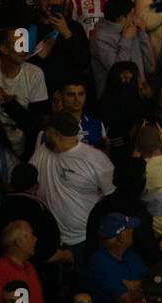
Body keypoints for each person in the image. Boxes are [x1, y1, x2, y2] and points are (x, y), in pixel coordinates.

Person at [31, 112, 115, 261]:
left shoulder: (95, 159)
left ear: (56, 134)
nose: (44, 134)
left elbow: (112, 196)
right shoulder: (43, 150)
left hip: (83, 239)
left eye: (47, 131)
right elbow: (29, 179)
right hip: (51, 237)